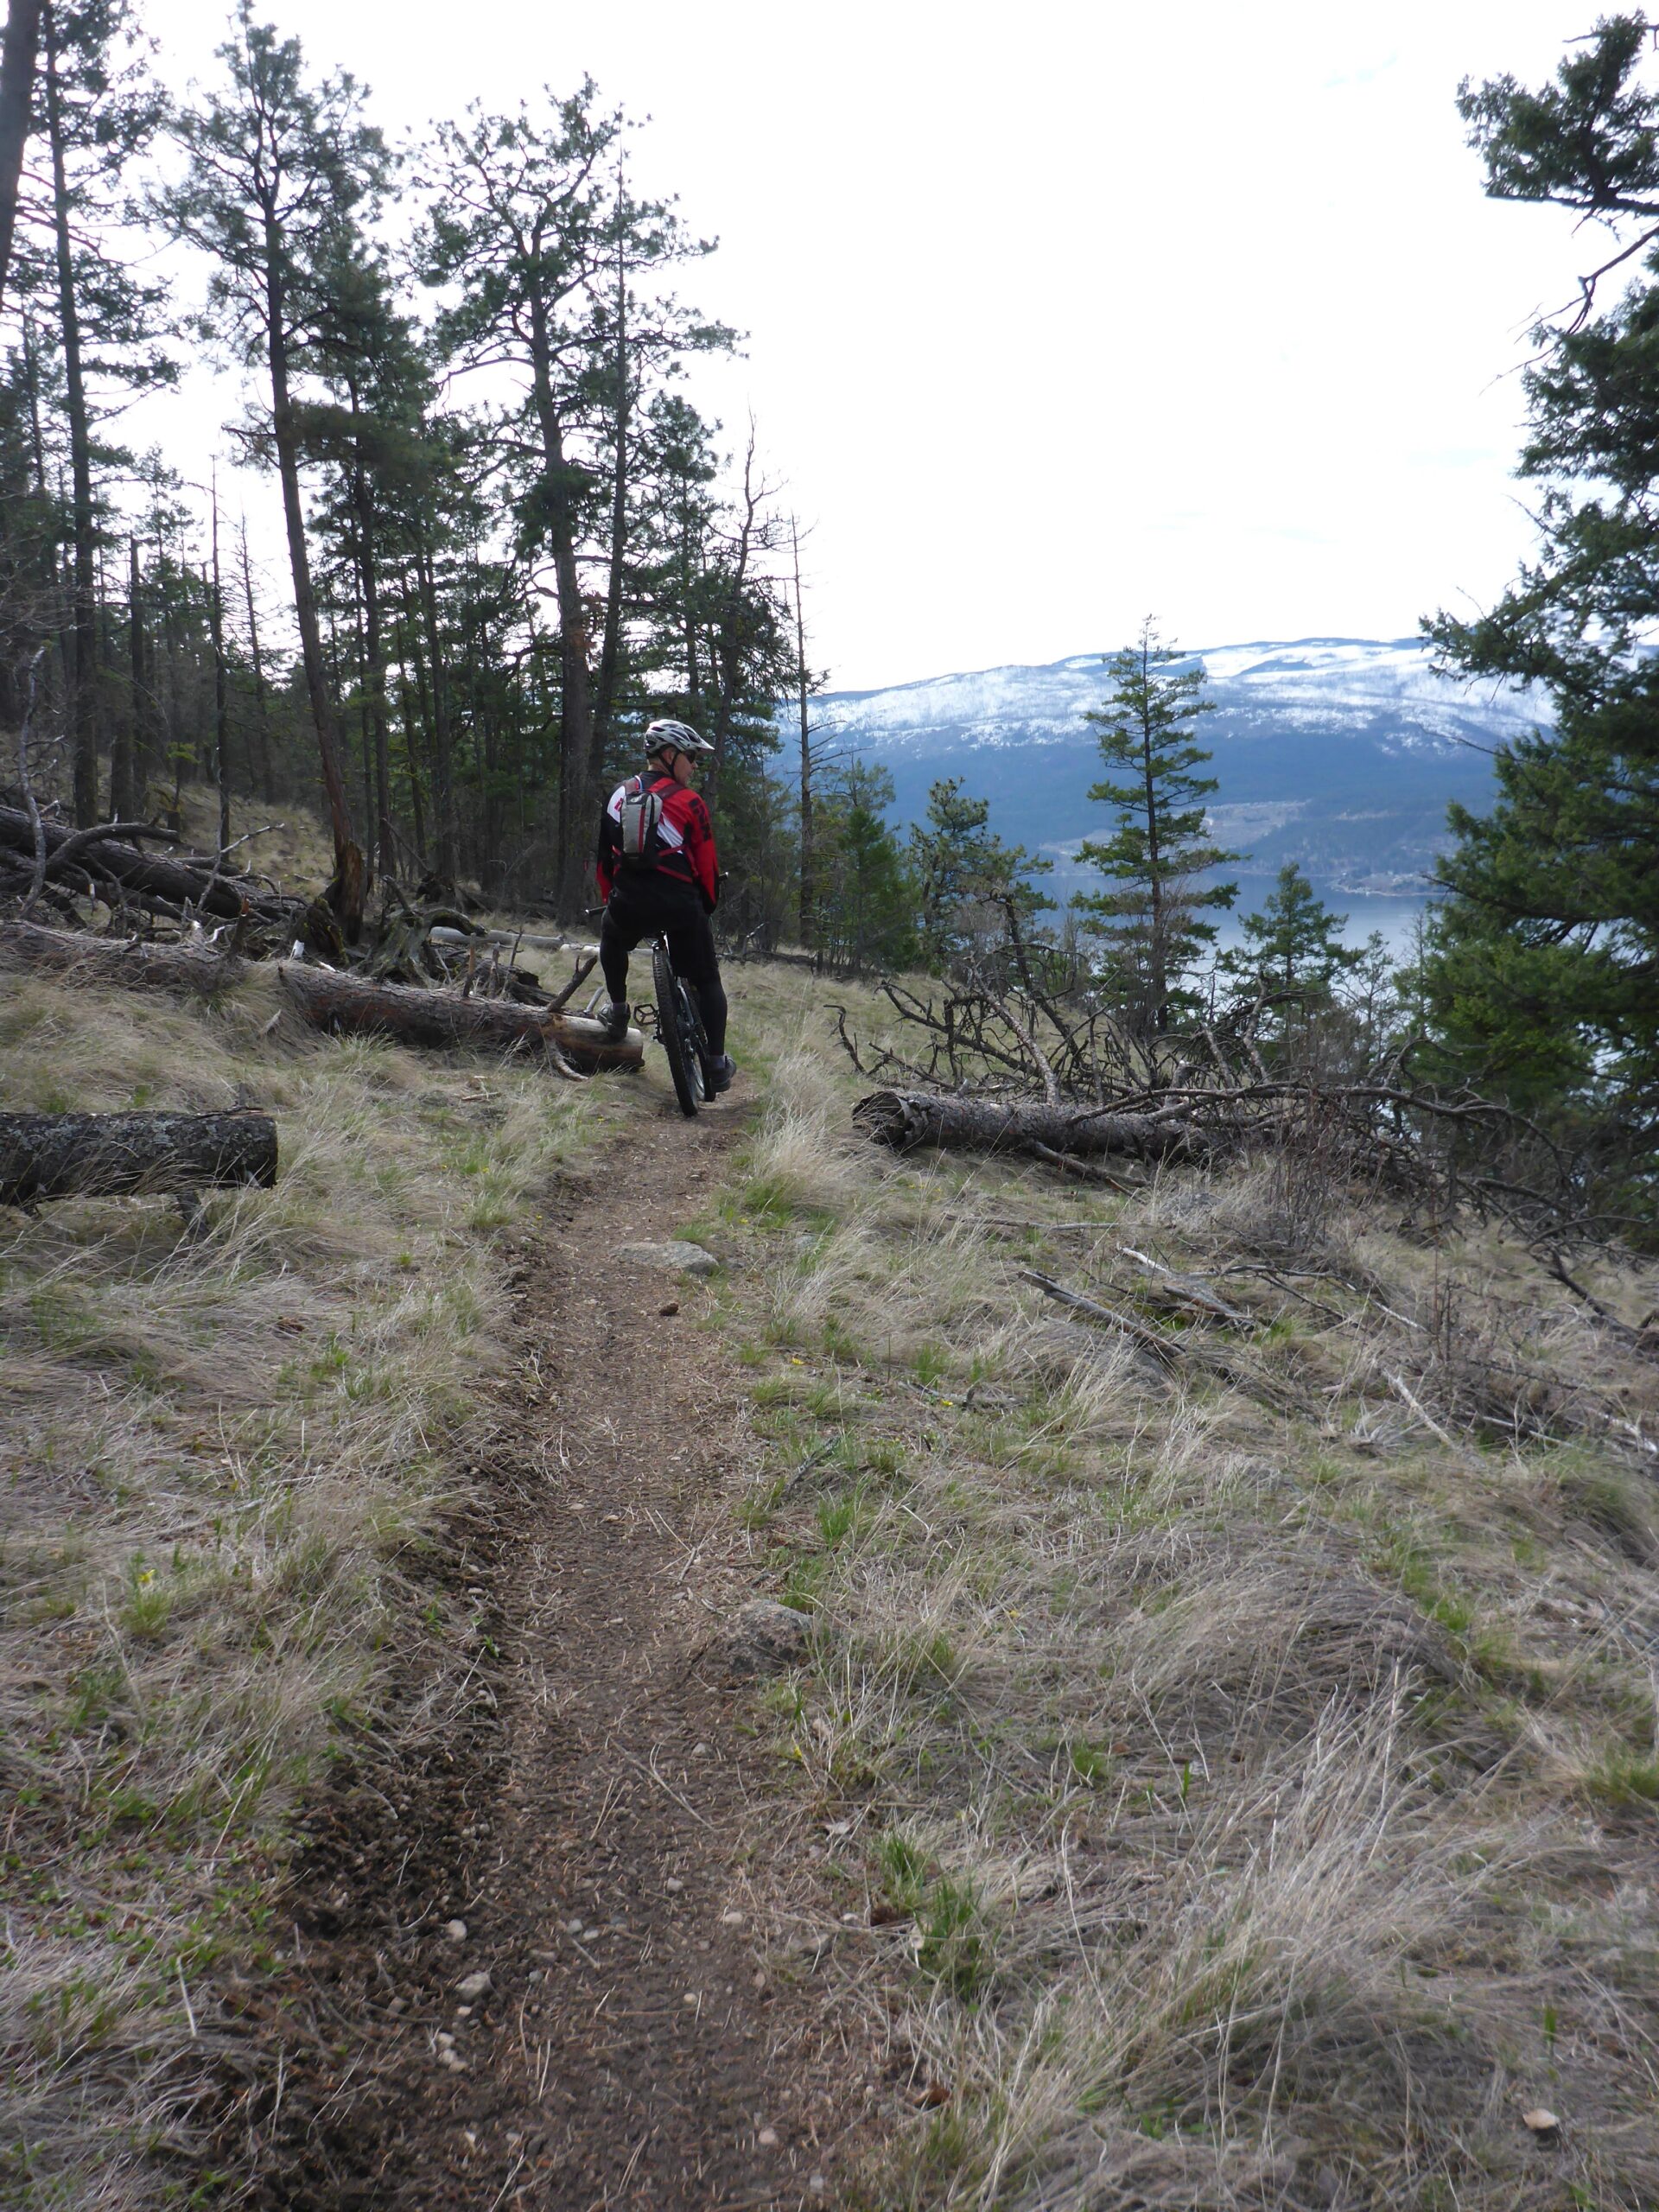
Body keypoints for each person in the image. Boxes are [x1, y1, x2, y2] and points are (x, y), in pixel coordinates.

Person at [594, 718, 735, 1093]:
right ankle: (718, 1065)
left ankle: (619, 1009)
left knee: (611, 937)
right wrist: (707, 904)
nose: (694, 765)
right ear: (669, 755)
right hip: (680, 906)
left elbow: (604, 861)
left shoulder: (619, 795)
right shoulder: (691, 802)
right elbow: (706, 865)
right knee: (706, 980)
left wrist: (612, 898)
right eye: (691, 757)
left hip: (630, 903)